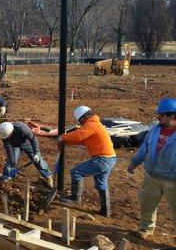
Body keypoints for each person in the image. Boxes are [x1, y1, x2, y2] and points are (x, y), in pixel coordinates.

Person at [127, 97, 176, 239]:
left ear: (172, 116)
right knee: (147, 204)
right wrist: (134, 162)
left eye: (161, 115)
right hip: (152, 177)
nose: (158, 117)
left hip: (172, 180)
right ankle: (146, 228)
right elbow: (145, 148)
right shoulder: (155, 129)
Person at [58, 105, 116, 217]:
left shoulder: (91, 124)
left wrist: (62, 137)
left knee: (76, 172)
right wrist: (66, 142)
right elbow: (84, 141)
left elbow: (79, 135)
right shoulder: (95, 124)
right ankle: (106, 211)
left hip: (102, 159)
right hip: (109, 158)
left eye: (80, 121)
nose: (80, 123)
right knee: (101, 184)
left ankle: (75, 198)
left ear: (83, 118)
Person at [0, 121, 54, 187]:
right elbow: (9, 150)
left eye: (8, 136)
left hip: (26, 142)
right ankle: (7, 175)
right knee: (11, 160)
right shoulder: (4, 135)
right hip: (14, 145)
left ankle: (48, 176)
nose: (7, 138)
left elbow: (33, 140)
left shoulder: (22, 128)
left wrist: (36, 153)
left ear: (12, 131)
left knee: (38, 160)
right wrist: (12, 161)